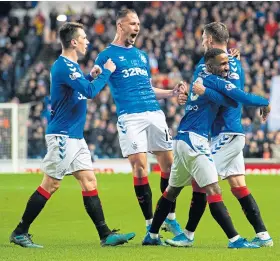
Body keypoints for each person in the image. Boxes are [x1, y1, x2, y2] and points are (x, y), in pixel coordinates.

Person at [9, 22, 135, 248]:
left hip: (75, 137)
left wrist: (91, 74)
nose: (88, 41)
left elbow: (81, 86)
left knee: (89, 181)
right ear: (74, 42)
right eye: (84, 37)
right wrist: (106, 71)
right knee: (51, 184)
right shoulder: (63, 67)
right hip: (63, 136)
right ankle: (20, 231)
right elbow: (89, 92)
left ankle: (105, 235)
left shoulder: (72, 67)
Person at [142, 48, 269, 248]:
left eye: (228, 63)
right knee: (212, 188)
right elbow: (239, 98)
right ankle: (235, 240)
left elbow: (228, 100)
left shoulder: (201, 78)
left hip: (182, 139)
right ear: (210, 66)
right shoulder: (213, 80)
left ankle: (152, 235)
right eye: (223, 64)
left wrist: (207, 92)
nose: (227, 67)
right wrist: (266, 101)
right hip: (195, 141)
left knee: (172, 191)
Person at [174, 22, 272, 248]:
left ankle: (188, 235)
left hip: (225, 134)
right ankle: (264, 235)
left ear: (208, 39)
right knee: (238, 185)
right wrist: (187, 93)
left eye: (202, 38)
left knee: (201, 181)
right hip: (233, 132)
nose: (200, 42)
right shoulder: (235, 62)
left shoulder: (208, 65)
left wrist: (198, 93)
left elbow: (232, 97)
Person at [92, 9, 186, 235]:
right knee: (141, 168)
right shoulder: (106, 55)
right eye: (132, 23)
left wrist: (171, 93)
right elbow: (97, 75)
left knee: (170, 166)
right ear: (120, 25)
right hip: (130, 116)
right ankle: (149, 224)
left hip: (154, 112)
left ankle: (169, 218)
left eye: (138, 24)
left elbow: (148, 88)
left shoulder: (142, 56)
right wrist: (95, 73)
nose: (136, 27)